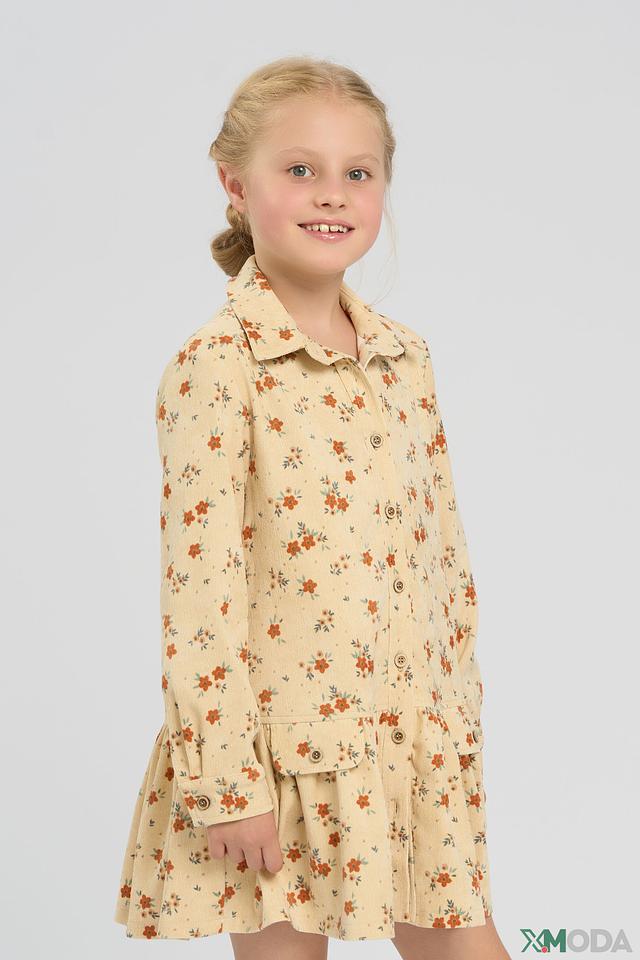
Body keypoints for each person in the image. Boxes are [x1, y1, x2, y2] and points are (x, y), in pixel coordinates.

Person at [114, 56, 511, 960]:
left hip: (412, 747)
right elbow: (201, 593)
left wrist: (455, 722)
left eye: (357, 172)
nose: (332, 193)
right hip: (282, 759)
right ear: (234, 184)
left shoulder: (405, 359)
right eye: (300, 168)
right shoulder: (218, 366)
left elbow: (442, 554)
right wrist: (228, 783)